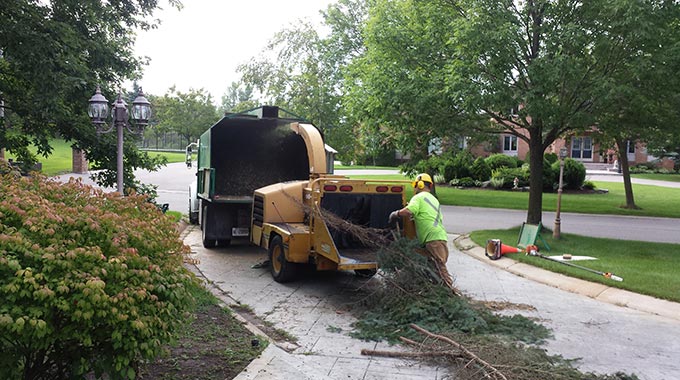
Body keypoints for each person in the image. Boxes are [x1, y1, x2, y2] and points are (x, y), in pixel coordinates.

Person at [389, 173, 454, 290]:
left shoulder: (418, 197)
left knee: (440, 267)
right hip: (436, 237)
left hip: (432, 239)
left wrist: (396, 213)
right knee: (429, 263)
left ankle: (451, 293)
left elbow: (409, 211)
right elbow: (426, 215)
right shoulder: (434, 200)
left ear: (420, 184)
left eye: (415, 185)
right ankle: (434, 290)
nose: (414, 188)